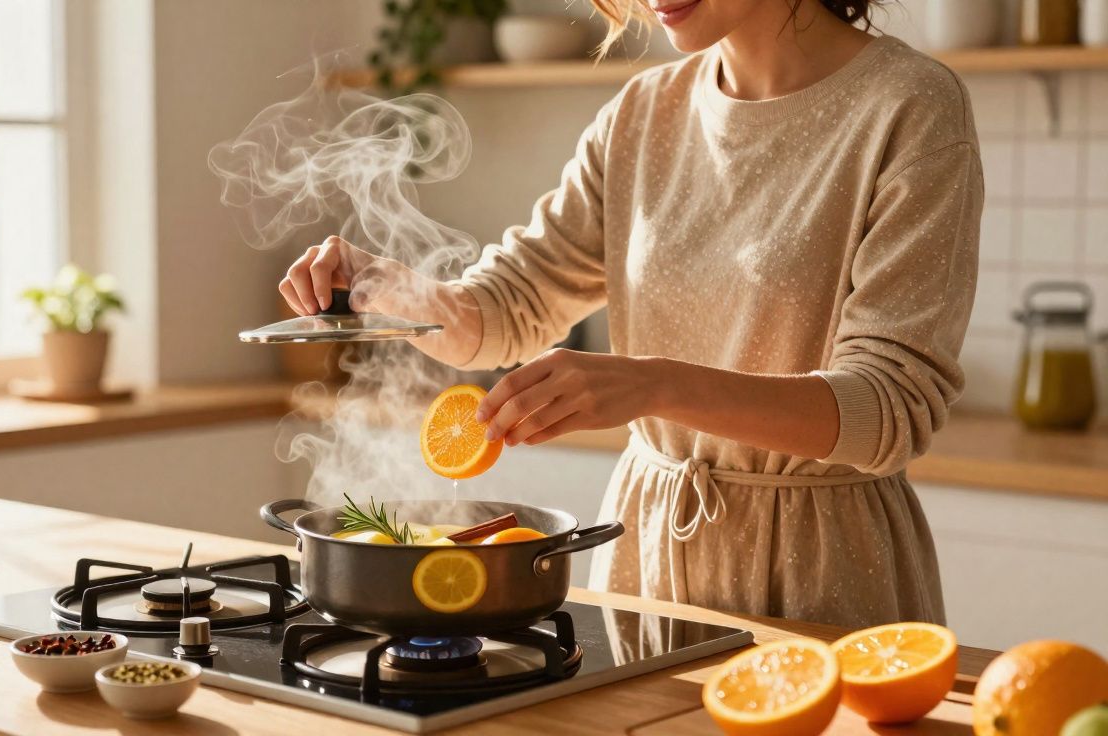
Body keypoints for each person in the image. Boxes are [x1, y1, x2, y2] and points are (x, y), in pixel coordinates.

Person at [278, 0, 981, 629]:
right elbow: (506, 311)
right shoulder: (643, 113)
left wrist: (654, 385)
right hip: (651, 561)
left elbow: (889, 410)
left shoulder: (909, 105)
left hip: (822, 566)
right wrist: (388, 287)